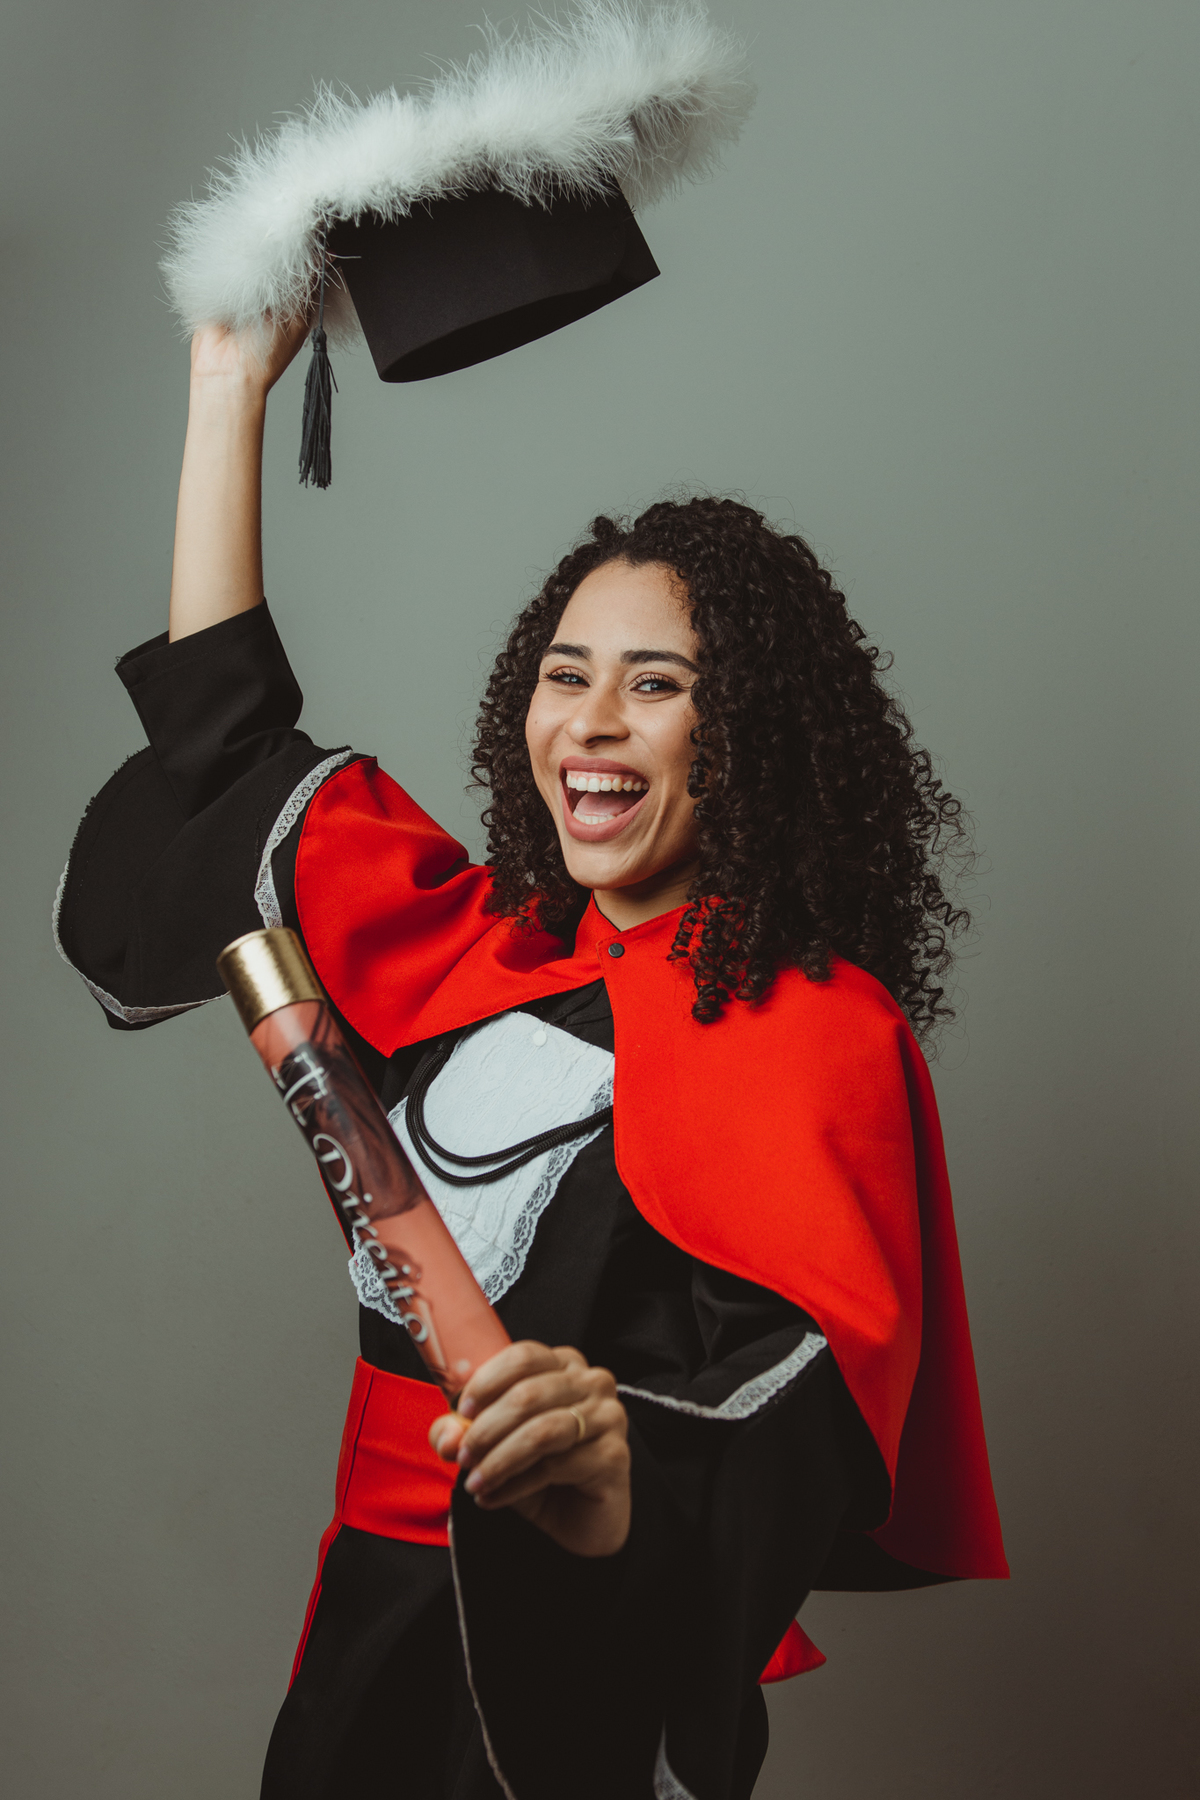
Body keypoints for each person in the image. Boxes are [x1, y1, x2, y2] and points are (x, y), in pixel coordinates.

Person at [56, 314, 1007, 1800]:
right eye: (567, 675)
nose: (593, 725)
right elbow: (229, 744)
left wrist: (617, 1467)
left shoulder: (818, 1029)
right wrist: (228, 387)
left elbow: (798, 1400)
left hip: (567, 1632)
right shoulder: (470, 942)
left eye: (657, 683)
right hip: (367, 1607)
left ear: (749, 732)